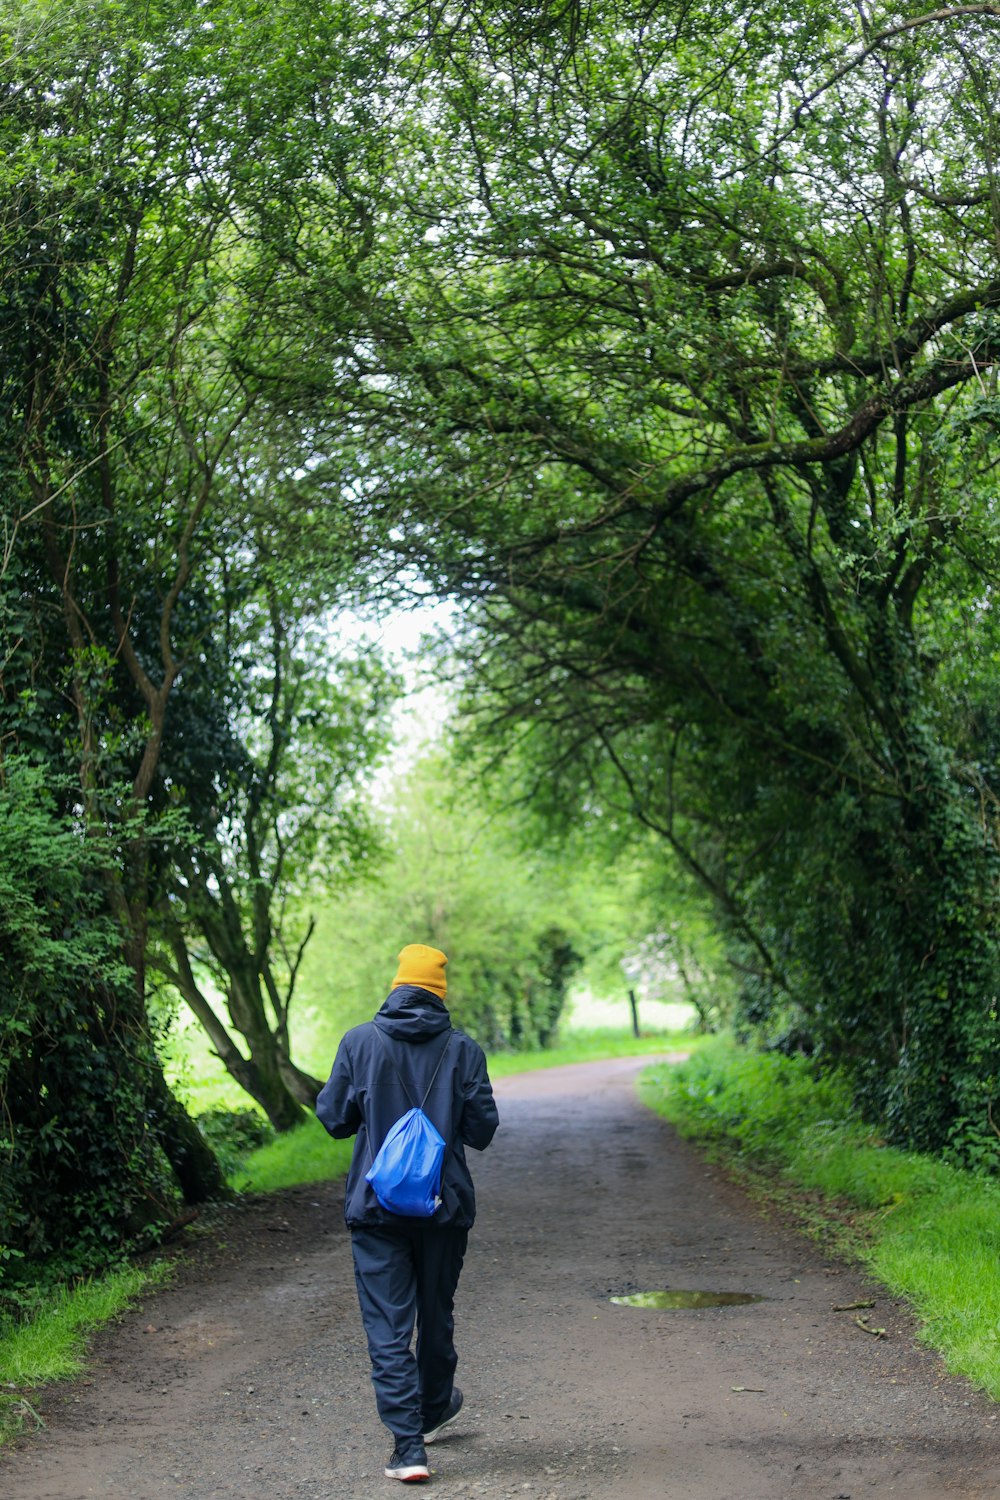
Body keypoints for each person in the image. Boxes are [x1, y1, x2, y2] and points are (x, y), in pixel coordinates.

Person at [316, 943, 499, 1484]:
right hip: (444, 1209)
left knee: (388, 1327)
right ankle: (436, 1401)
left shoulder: (359, 1043)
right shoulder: (463, 1050)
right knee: (436, 1313)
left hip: (376, 1210)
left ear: (397, 986)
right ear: (440, 993)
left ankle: (409, 1446)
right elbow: (482, 1131)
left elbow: (335, 1119)